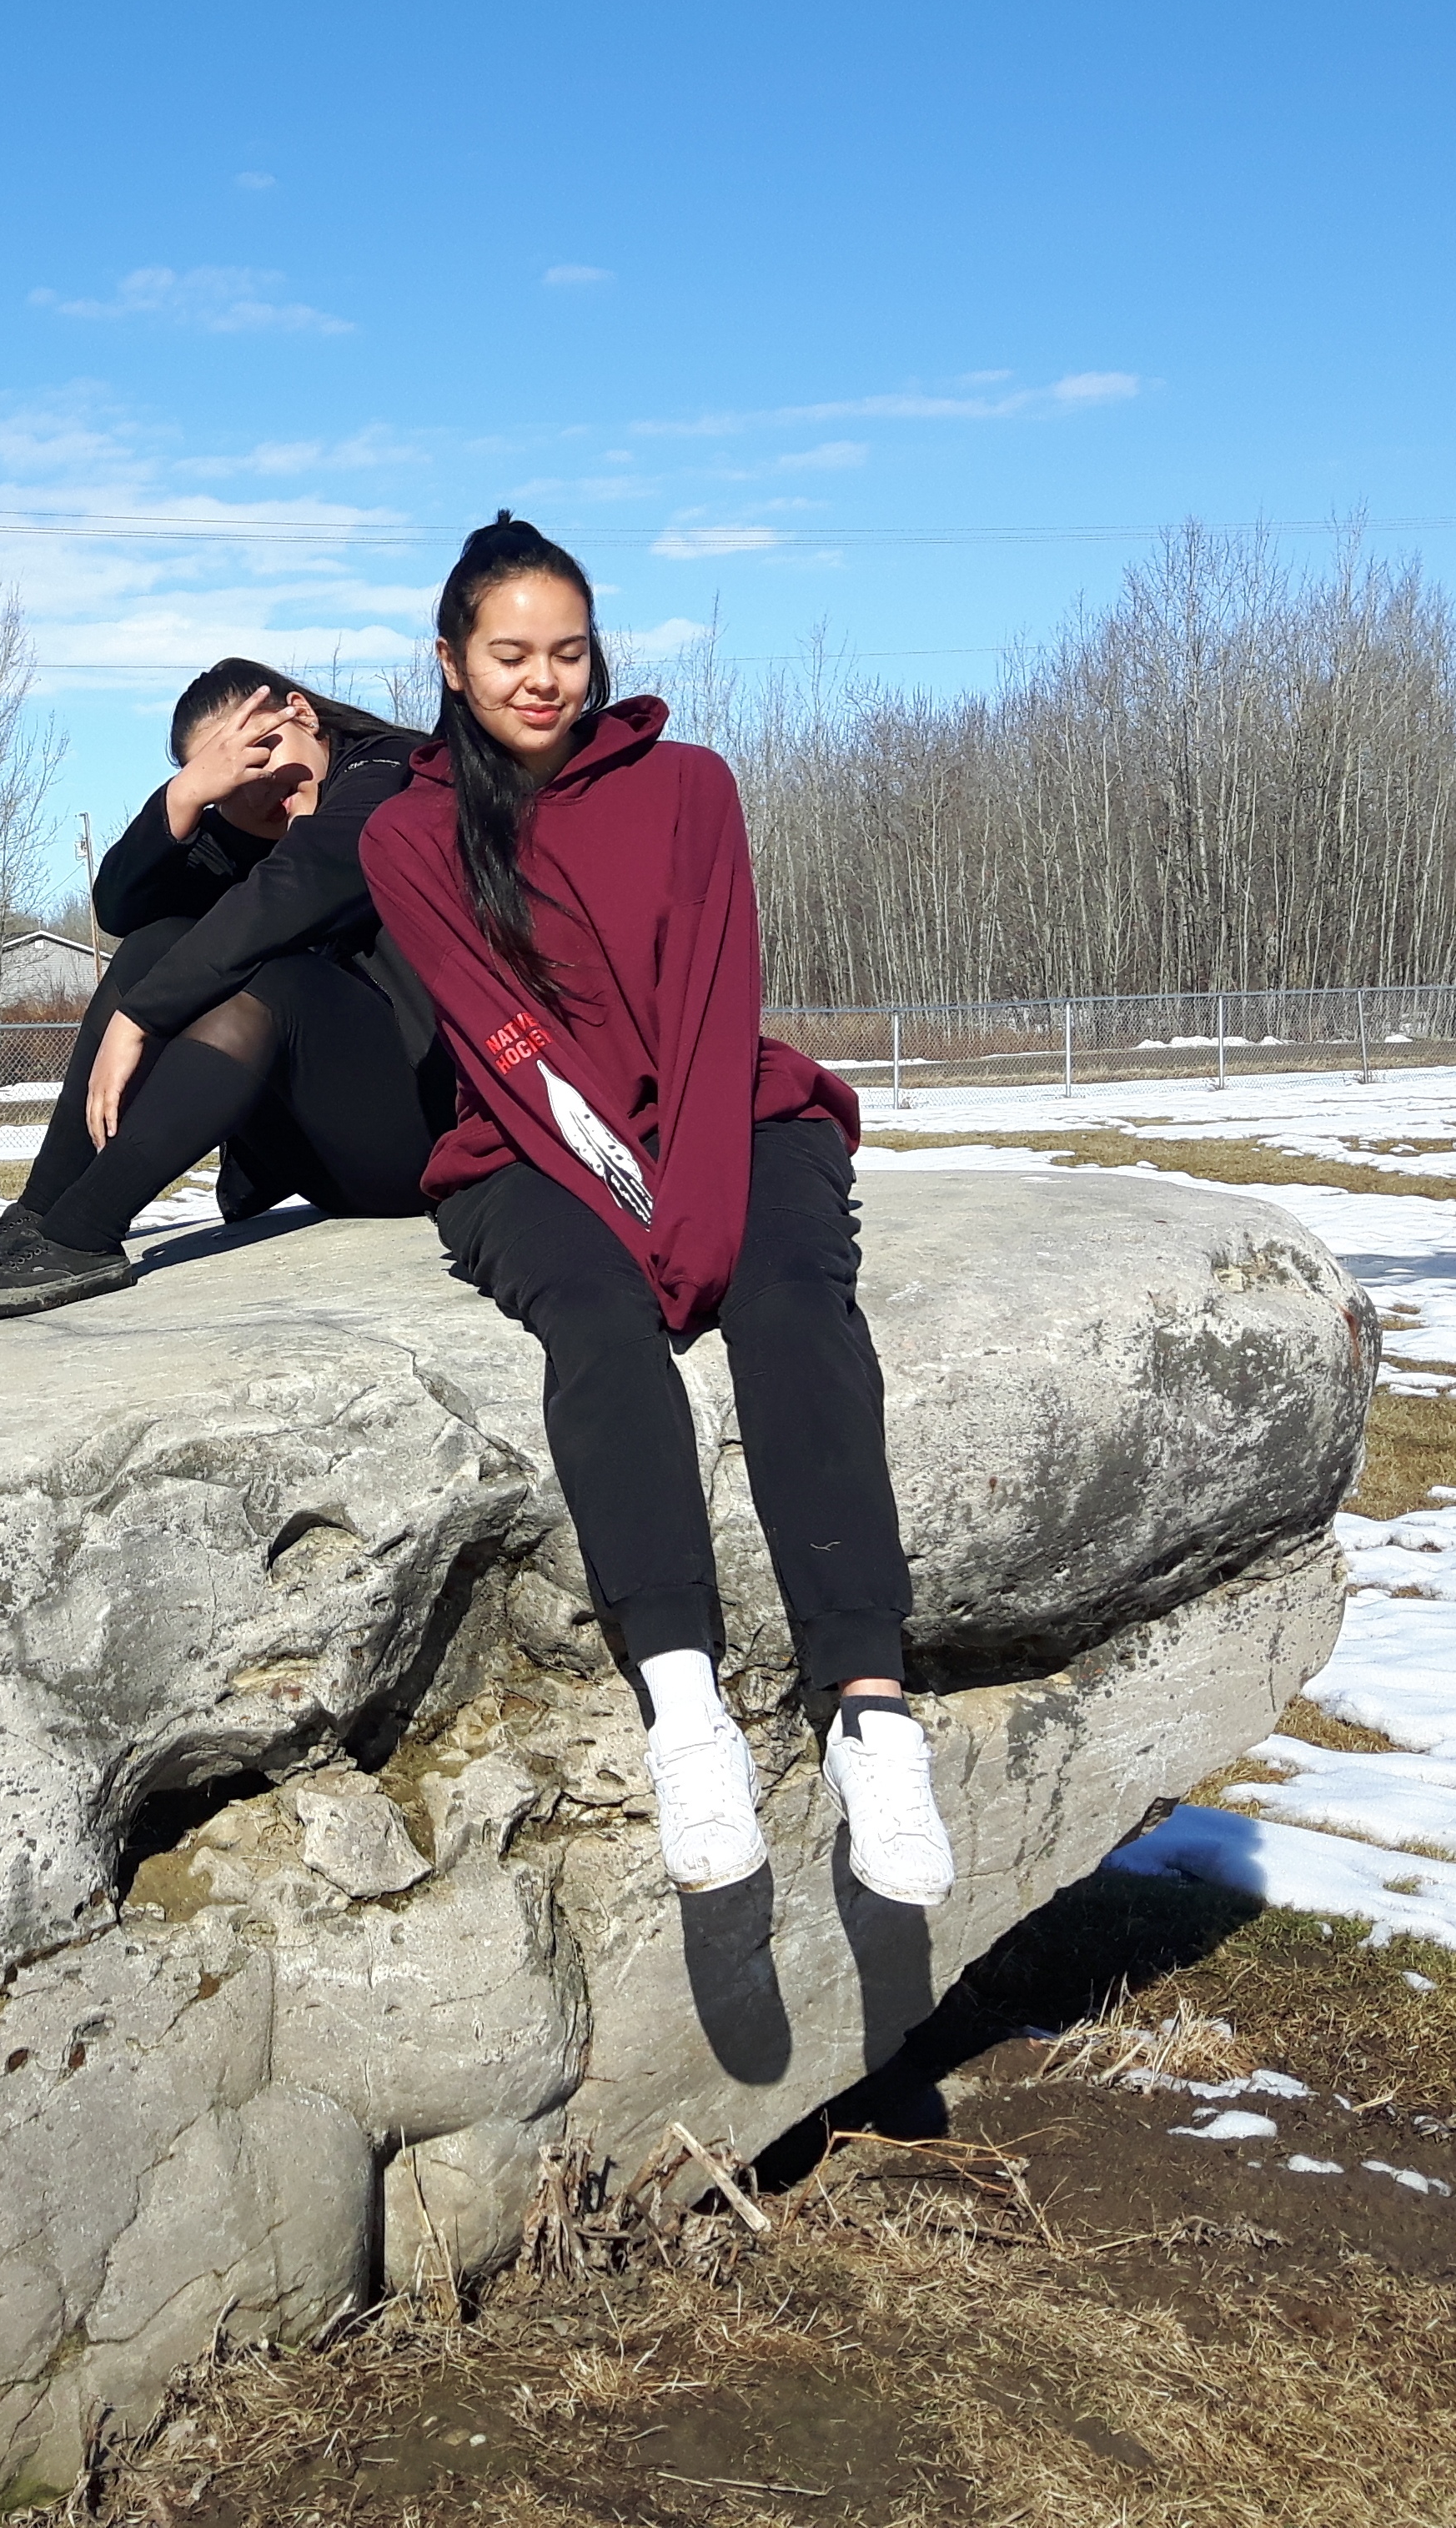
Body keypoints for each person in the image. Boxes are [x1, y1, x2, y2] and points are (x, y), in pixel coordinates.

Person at [358, 515, 954, 1904]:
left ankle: (872, 1713)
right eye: (508, 654)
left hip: (723, 1105)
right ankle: (684, 1716)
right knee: (600, 1324)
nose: (541, 679)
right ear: (449, 664)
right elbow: (503, 1035)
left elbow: (710, 998)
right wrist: (631, 1211)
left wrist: (691, 1199)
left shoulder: (688, 784)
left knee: (796, 1302)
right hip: (525, 1144)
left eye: (566, 651)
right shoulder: (407, 833)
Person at [0, 659, 449, 1319]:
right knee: (159, 944)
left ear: (301, 712)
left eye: (263, 750)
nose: (261, 782)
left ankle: (85, 1232)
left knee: (275, 976)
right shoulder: (249, 825)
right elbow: (125, 914)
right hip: (322, 1152)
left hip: (425, 1136)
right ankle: (38, 1215)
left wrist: (140, 1018)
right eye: (231, 775)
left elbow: (301, 884)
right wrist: (181, 800)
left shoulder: (397, 775)